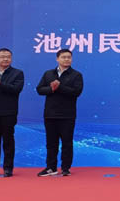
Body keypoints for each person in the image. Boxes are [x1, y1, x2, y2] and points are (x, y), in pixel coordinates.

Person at [36, 49, 84, 177]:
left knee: (67, 142)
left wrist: (59, 87)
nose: (66, 59)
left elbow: (76, 92)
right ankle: (51, 167)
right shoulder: (48, 74)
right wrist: (51, 89)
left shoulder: (76, 75)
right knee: (51, 143)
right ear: (57, 59)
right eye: (63, 57)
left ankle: (65, 168)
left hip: (67, 114)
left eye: (69, 57)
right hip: (50, 113)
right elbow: (39, 89)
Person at [0, 48, 24, 177]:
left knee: (8, 141)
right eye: (2, 56)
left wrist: (0, 85)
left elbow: (16, 89)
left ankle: (8, 168)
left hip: (8, 112)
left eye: (8, 56)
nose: (5, 59)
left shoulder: (17, 73)